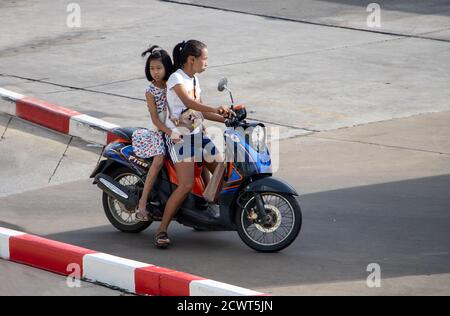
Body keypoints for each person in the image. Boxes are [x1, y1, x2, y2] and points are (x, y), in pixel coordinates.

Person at [153, 39, 232, 248]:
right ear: (191, 59)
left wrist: (228, 119)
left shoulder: (194, 79)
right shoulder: (176, 79)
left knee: (222, 169)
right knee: (186, 184)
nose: (206, 63)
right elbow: (189, 103)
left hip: (197, 134)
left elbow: (200, 112)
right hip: (179, 138)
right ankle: (162, 230)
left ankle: (205, 208)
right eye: (204, 59)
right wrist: (216, 108)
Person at [132, 45, 178, 221]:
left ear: (167, 67)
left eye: (159, 68)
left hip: (174, 128)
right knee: (159, 160)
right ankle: (142, 203)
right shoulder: (150, 91)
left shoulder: (172, 85)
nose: (155, 72)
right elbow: (155, 119)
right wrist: (169, 132)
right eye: (152, 68)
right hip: (158, 132)